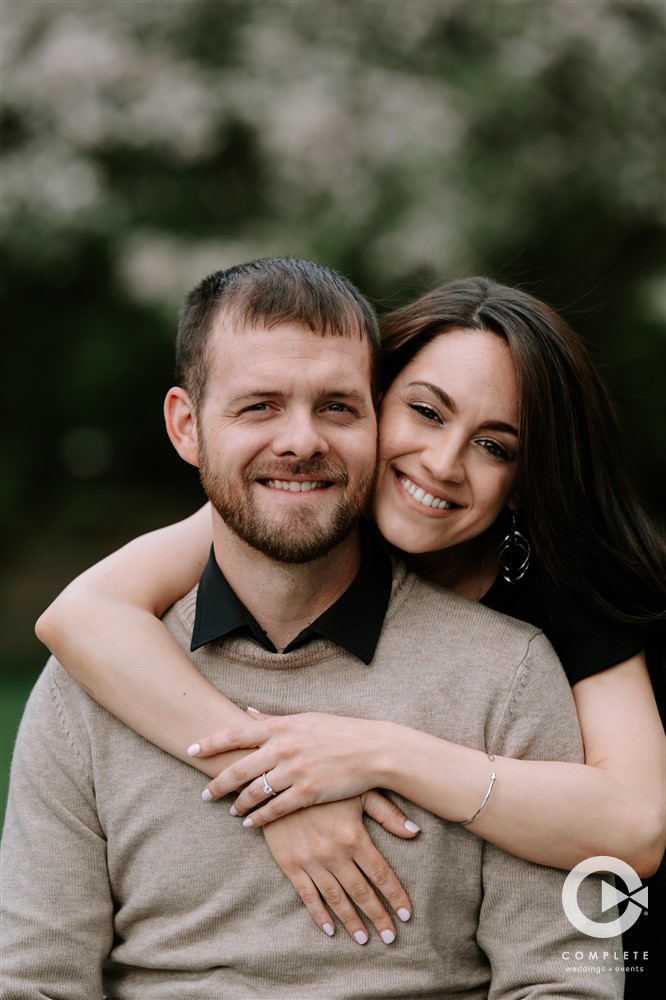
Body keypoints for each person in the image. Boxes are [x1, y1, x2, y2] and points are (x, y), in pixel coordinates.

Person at [1, 258, 624, 999]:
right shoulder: (92, 684)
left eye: (336, 407)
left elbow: (565, 979)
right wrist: (278, 786)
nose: (301, 442)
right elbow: (35, 983)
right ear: (186, 426)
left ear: (373, 419)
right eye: (259, 406)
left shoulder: (512, 671)